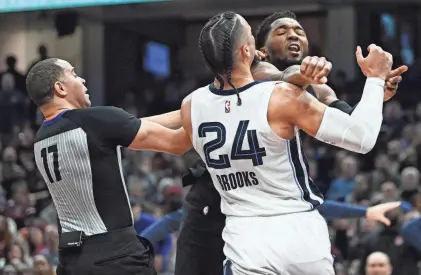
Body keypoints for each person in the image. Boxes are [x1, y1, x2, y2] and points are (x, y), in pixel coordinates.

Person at [171, 10, 405, 275]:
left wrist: (374, 98)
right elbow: (278, 77)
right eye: (281, 32)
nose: (293, 34)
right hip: (217, 203)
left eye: (299, 31)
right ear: (257, 51)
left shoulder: (311, 90)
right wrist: (301, 77)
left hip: (258, 215)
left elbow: (352, 124)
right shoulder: (259, 77)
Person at [26, 58, 191, 275]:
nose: (82, 79)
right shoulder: (95, 121)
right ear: (60, 88)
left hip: (71, 260)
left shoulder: (40, 138)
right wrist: (204, 107)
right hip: (115, 256)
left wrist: (182, 115)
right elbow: (177, 143)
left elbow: (128, 125)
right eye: (74, 74)